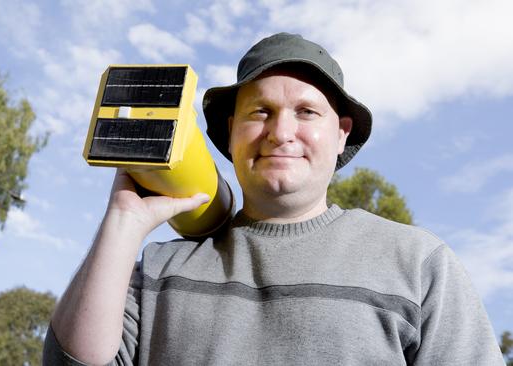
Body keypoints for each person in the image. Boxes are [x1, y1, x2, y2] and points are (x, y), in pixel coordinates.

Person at [43, 33, 505, 365]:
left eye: (306, 112)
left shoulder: (419, 264)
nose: (281, 133)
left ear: (341, 134)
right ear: (230, 131)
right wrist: (123, 222)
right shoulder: (160, 269)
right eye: (260, 111)